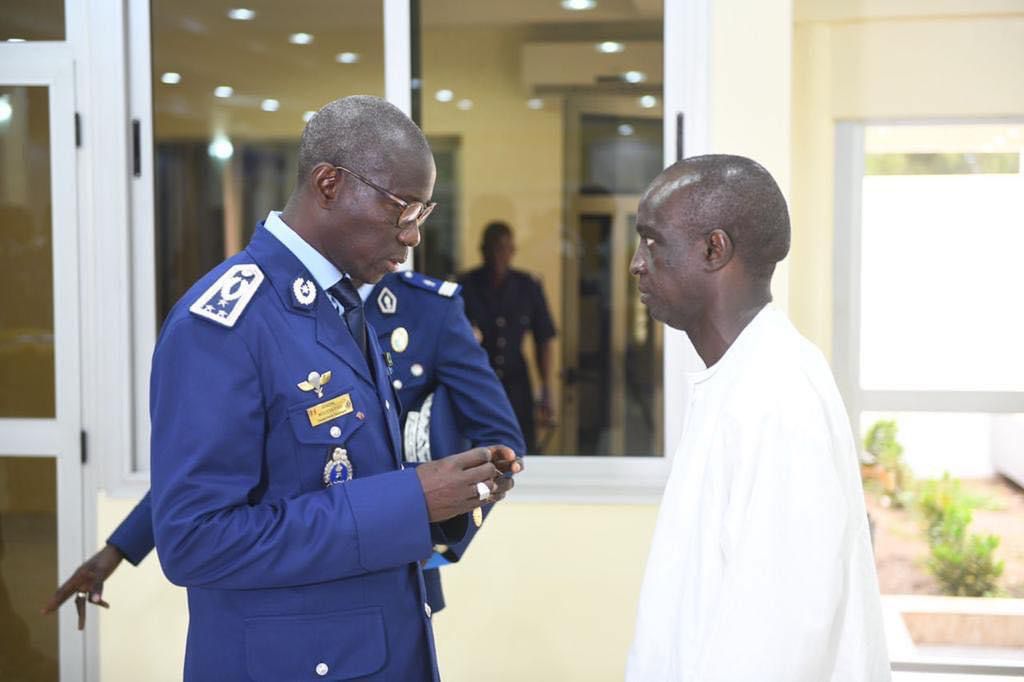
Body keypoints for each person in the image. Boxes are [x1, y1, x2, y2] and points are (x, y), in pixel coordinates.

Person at [148, 96, 521, 681]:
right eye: (403, 209)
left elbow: (341, 478)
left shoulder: (338, 301)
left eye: (423, 214)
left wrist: (445, 496)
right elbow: (196, 541)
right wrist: (410, 498)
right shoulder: (225, 322)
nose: (412, 234)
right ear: (329, 184)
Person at [41, 269, 525, 624]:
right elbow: (229, 461)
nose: (407, 235)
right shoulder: (283, 311)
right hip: (299, 565)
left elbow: (501, 443)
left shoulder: (431, 310)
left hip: (393, 568)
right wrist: (117, 551)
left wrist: (436, 537)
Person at [625, 155, 889, 681]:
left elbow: (779, 641)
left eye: (652, 241)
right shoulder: (740, 378)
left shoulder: (776, 396)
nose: (635, 263)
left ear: (714, 249)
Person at [459, 221, 556, 452]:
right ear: (482, 250)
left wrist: (547, 390)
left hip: (517, 385)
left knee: (521, 448)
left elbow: (544, 339)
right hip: (478, 384)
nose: (498, 255)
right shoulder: (465, 285)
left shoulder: (527, 286)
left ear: (513, 251)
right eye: (493, 248)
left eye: (505, 248)